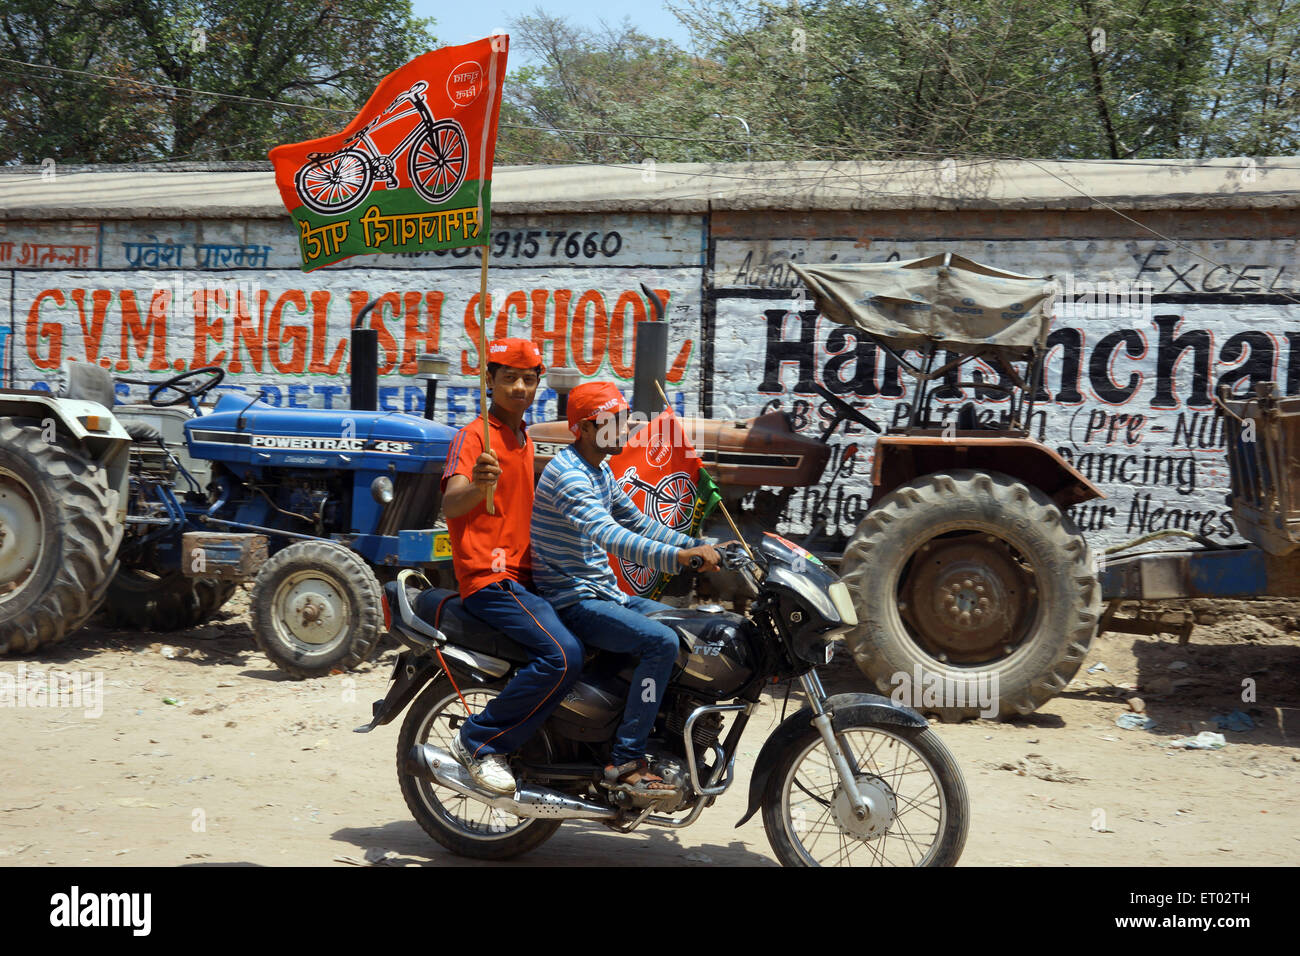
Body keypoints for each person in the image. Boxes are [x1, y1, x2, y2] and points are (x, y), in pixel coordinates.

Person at [530, 381, 721, 798]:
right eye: (611, 423)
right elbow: (611, 536)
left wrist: (694, 544)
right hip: (573, 599)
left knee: (690, 631)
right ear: (582, 428)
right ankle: (626, 760)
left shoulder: (599, 469)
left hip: (605, 591)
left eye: (624, 421)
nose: (621, 430)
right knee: (660, 643)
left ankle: (659, 730)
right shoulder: (568, 475)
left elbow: (638, 522)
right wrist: (681, 559)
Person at [440, 338, 583, 795]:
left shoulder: (524, 438)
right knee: (563, 655)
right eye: (508, 378)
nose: (519, 387)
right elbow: (451, 501)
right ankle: (479, 742)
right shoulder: (475, 435)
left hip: (526, 575)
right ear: (490, 381)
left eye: (527, 379)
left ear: (538, 383)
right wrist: (477, 483)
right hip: (490, 578)